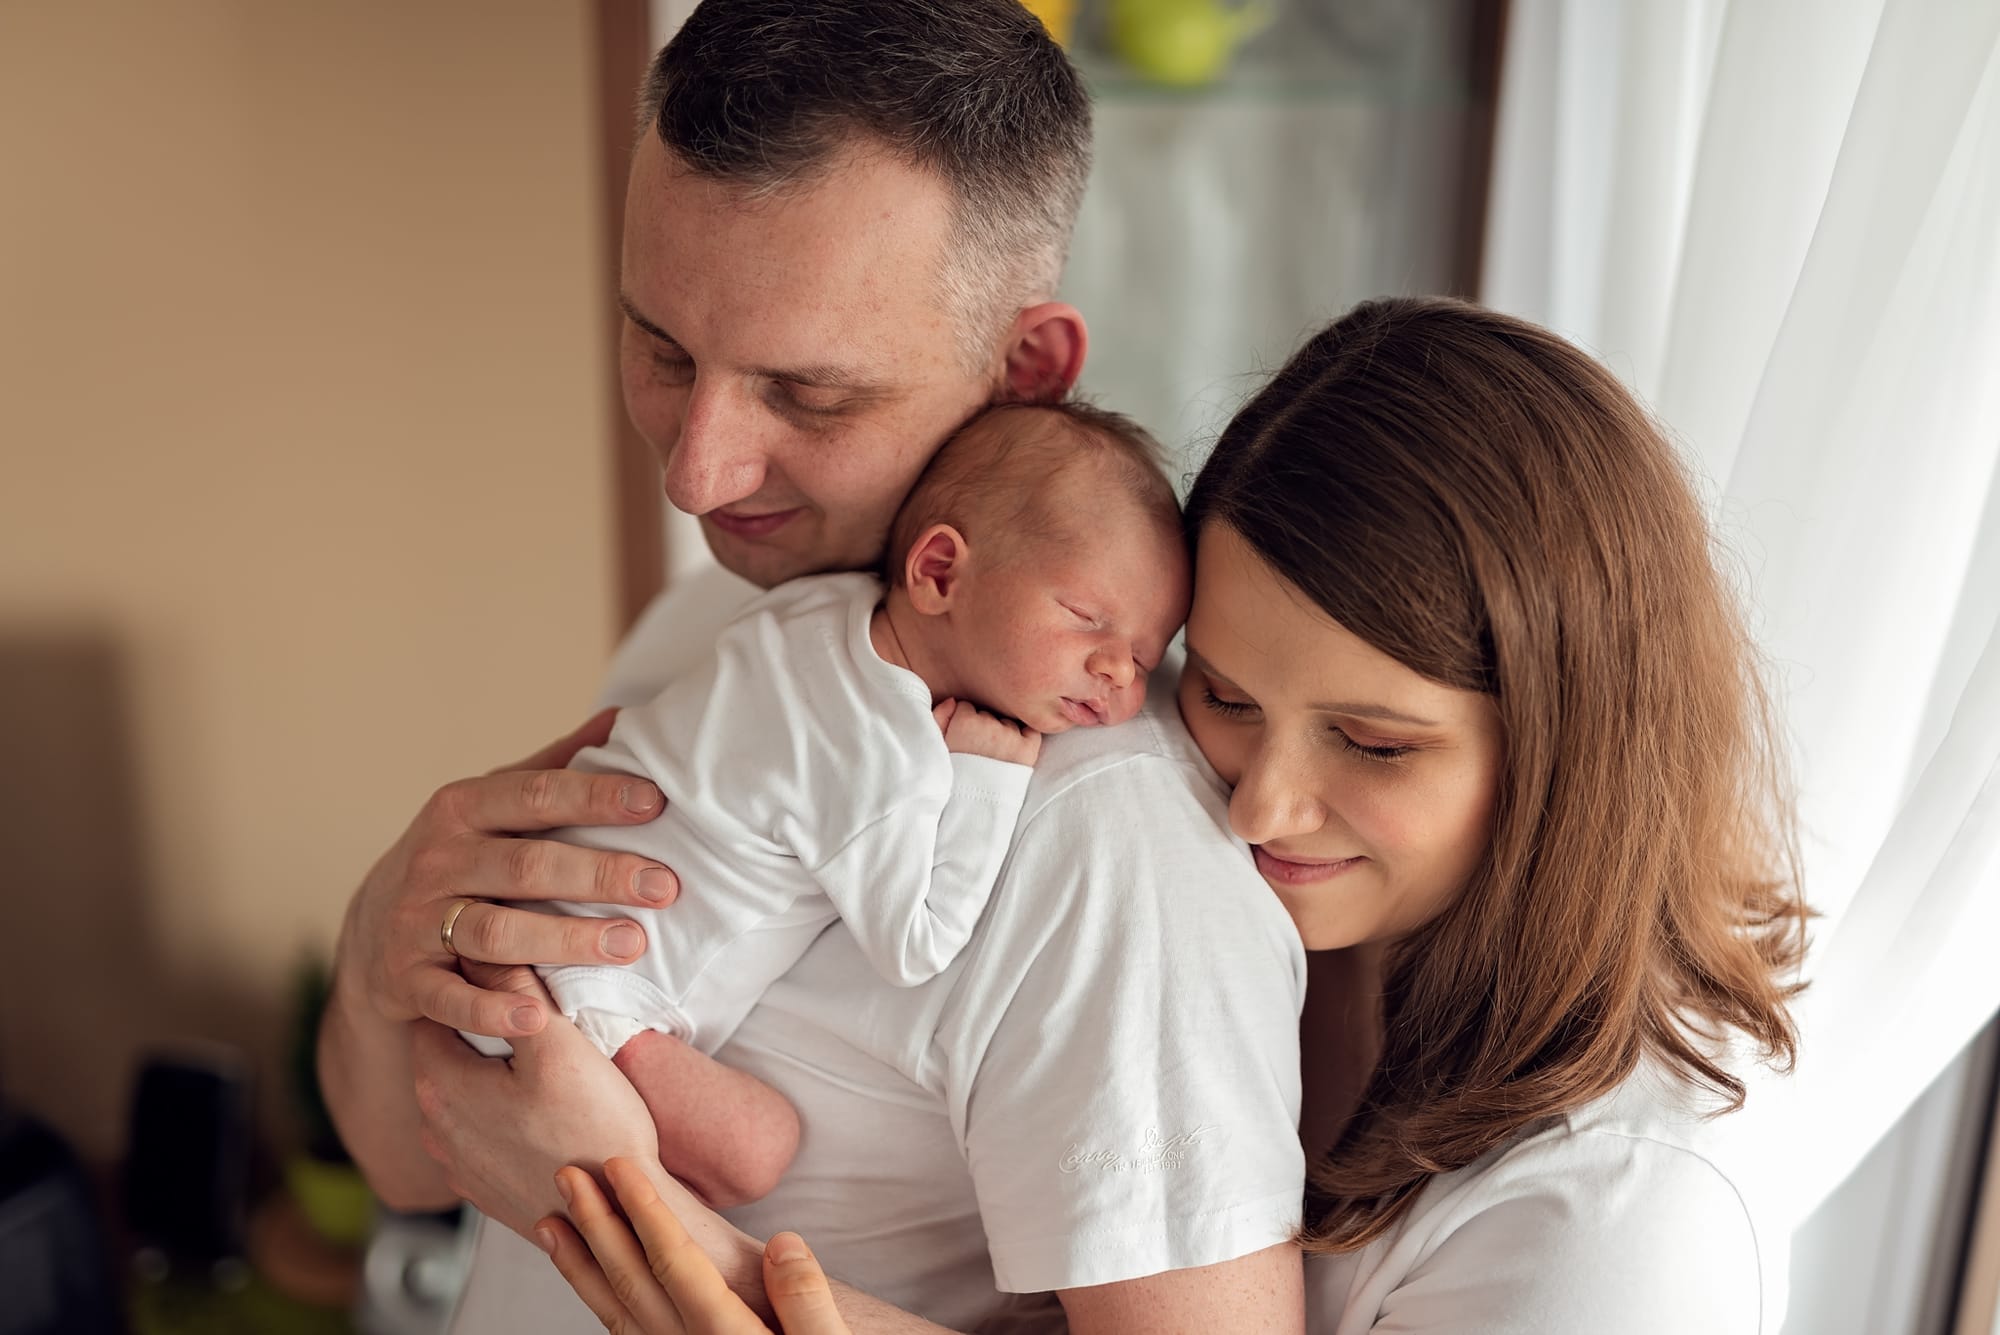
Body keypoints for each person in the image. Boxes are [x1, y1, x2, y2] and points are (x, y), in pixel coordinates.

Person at [523, 298, 1812, 1333]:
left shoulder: (1619, 1231)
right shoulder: (1300, 962)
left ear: (1575, 748)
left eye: (1370, 741)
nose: (1258, 803)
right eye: (1229, 697)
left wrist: (606, 1207)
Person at [320, 4, 1311, 1331]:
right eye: (664, 351)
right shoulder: (724, 630)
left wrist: (608, 1201)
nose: (695, 473)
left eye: (812, 395)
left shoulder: (1113, 849)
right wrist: (386, 923)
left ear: (1027, 370)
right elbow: (404, 1150)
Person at [495, 402, 1187, 1208]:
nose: (1117, 673)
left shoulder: (819, 610)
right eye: (1087, 619)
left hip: (531, 907)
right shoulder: (880, 754)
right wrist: (986, 779)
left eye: (1146, 653)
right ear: (937, 572)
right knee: (759, 1149)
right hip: (580, 992)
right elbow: (917, 944)